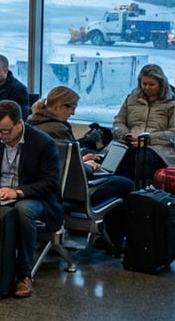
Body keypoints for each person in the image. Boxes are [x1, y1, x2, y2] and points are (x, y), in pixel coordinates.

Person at [29, 85, 131, 249]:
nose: (73, 113)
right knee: (125, 183)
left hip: (45, 187)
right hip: (70, 192)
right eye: (72, 108)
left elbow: (56, 161)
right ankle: (114, 241)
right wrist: (88, 166)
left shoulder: (32, 122)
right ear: (61, 106)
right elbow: (71, 171)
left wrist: (81, 158)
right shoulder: (59, 129)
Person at [0, 101, 62, 298]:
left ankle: (25, 274)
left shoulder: (43, 143)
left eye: (6, 131)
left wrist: (17, 192)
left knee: (23, 210)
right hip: (1, 193)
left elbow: (50, 183)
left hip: (36, 198)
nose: (2, 136)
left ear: (20, 123)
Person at [111, 63, 175, 182]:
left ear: (161, 84)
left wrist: (147, 139)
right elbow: (118, 123)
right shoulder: (131, 98)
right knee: (112, 160)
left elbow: (173, 133)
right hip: (129, 142)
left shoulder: (172, 103)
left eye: (151, 84)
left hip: (159, 148)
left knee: (139, 159)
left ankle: (132, 194)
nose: (146, 87)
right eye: (144, 84)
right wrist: (126, 135)